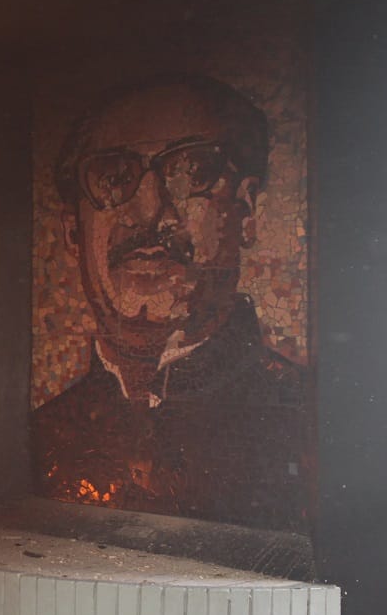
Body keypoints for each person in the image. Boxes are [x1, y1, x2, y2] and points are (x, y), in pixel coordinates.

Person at [32, 74, 310, 532]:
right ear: (72, 232)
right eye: (112, 177)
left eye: (191, 172)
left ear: (246, 213)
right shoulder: (42, 434)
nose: (150, 209)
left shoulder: (307, 424)